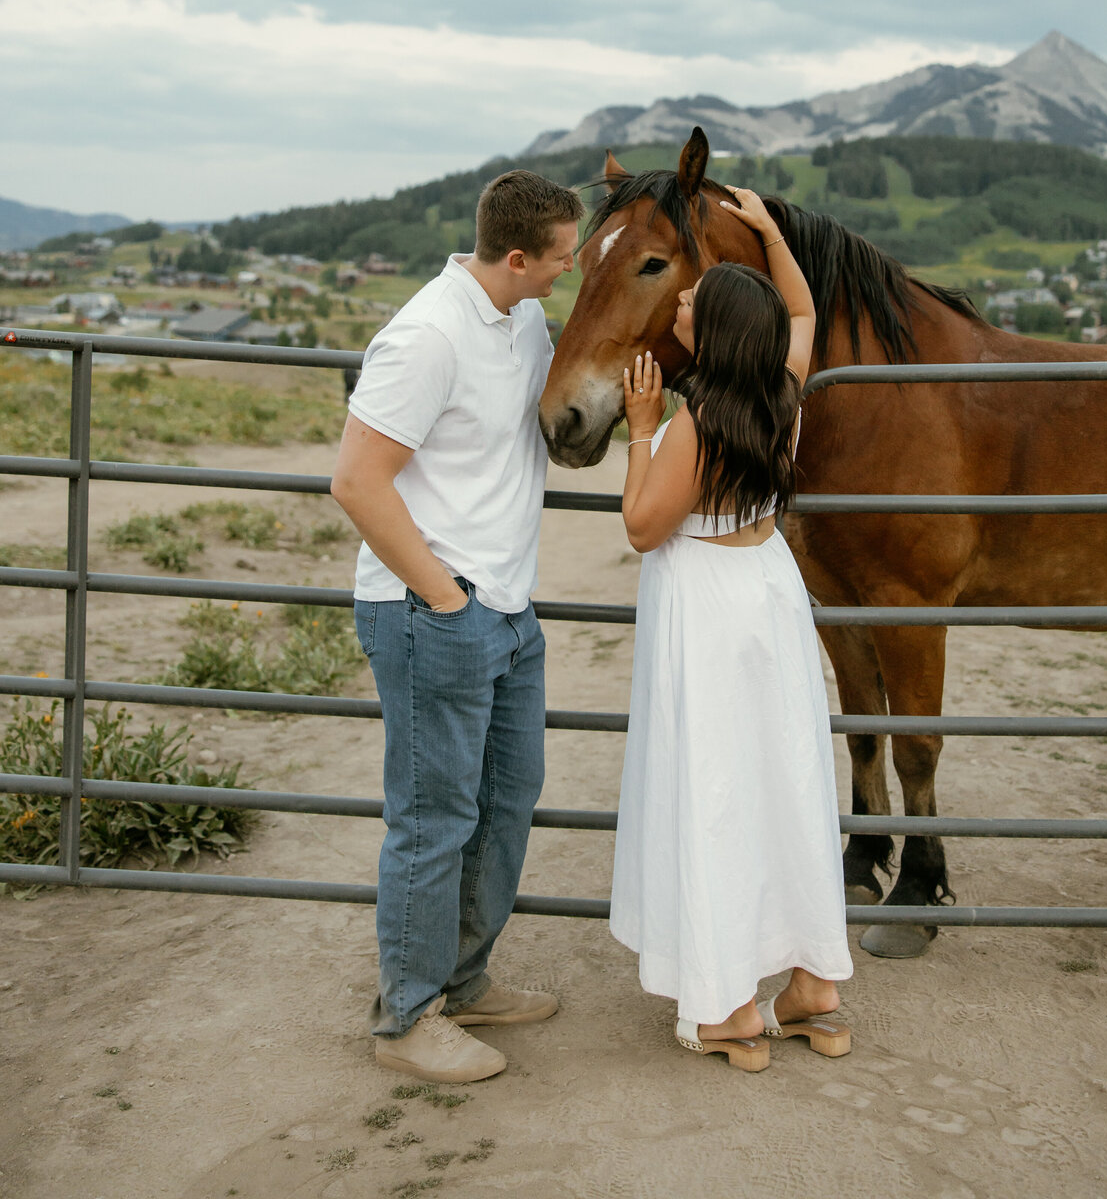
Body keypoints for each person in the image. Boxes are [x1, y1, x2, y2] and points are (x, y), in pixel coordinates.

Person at [331, 169, 583, 1083]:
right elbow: (357, 481)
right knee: (434, 819)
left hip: (507, 614)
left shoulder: (521, 319)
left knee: (504, 807)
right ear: (517, 257)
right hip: (430, 610)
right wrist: (446, 599)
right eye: (561, 258)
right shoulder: (427, 335)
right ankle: (406, 1020)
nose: (569, 270)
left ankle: (463, 980)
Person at [609, 186, 853, 1071]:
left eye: (690, 303)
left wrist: (640, 431)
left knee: (715, 788)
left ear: (709, 336)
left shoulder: (695, 421)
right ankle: (815, 990)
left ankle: (728, 1012)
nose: (679, 301)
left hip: (707, 607)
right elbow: (801, 305)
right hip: (770, 593)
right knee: (784, 779)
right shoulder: (784, 392)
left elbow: (643, 527)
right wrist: (770, 234)